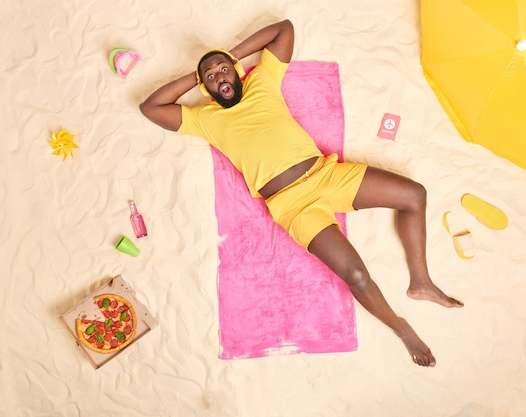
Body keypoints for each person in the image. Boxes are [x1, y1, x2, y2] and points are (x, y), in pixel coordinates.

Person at [139, 19, 463, 367]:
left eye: (223, 70)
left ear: (236, 71)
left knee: (414, 195)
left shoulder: (262, 82)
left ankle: (421, 281)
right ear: (206, 87)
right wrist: (198, 75)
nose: (219, 76)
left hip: (325, 175)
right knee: (355, 275)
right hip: (292, 207)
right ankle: (401, 328)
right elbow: (151, 107)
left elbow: (284, 29)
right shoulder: (205, 118)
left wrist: (231, 57)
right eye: (212, 76)